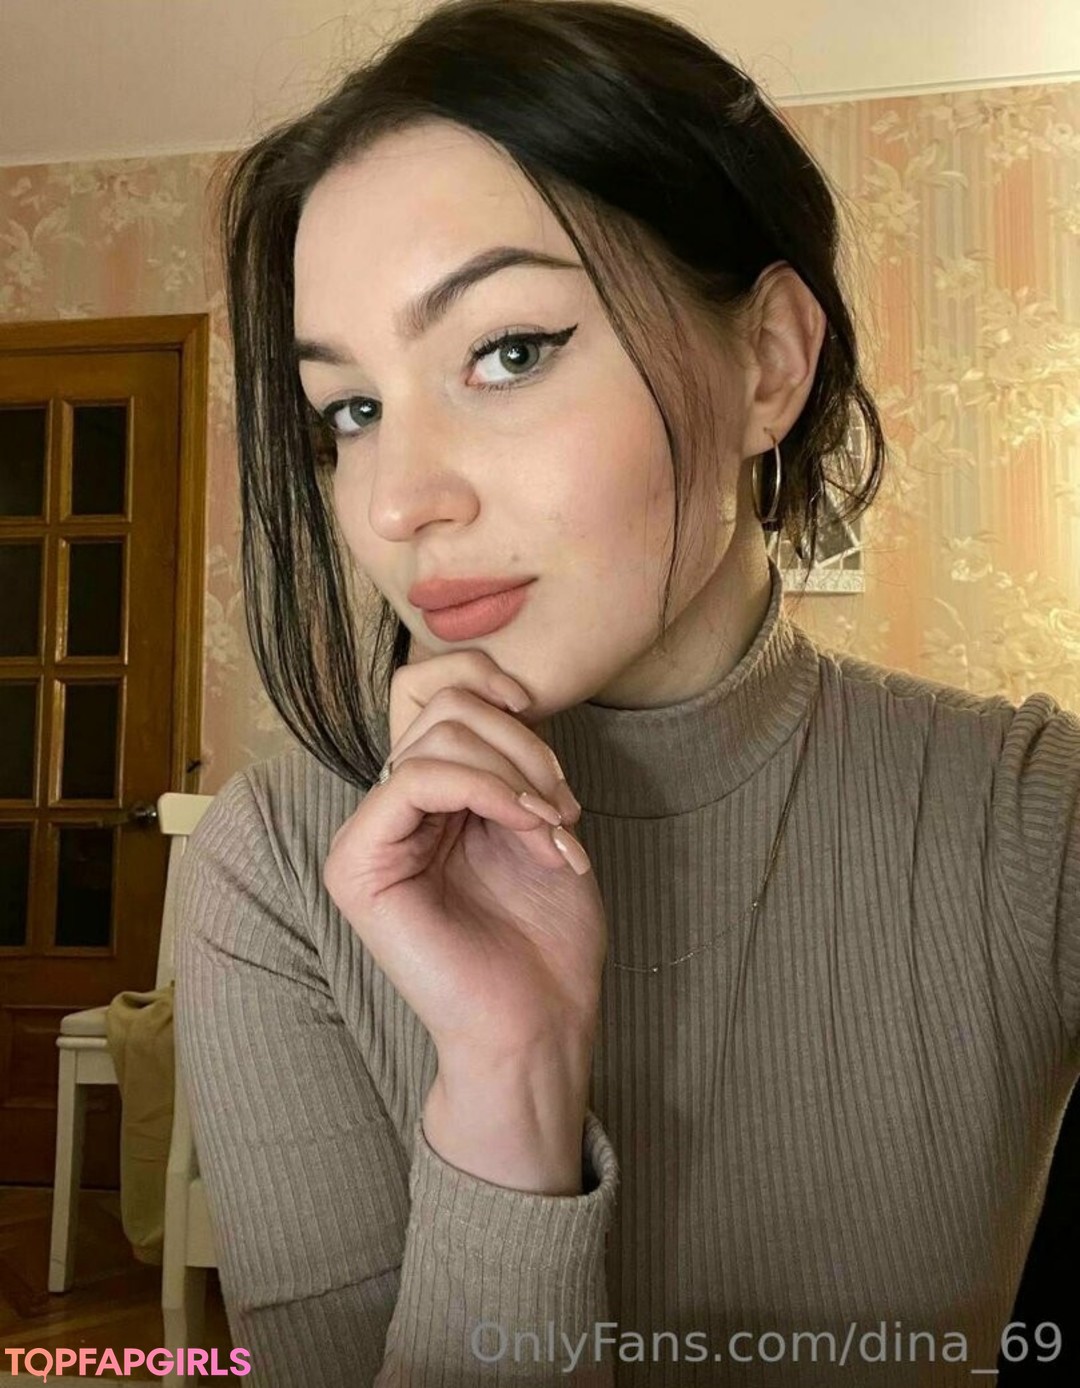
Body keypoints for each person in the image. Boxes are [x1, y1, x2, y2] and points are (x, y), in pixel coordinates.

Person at [174, 2, 1080, 1384]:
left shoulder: (1034, 822)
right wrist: (508, 1079)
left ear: (768, 360)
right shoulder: (280, 873)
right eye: (351, 410)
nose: (400, 502)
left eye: (508, 352)